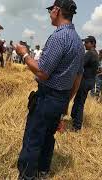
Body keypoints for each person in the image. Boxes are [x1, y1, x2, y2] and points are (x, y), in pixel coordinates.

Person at [15, 0, 84, 179]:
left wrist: (23, 53)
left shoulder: (59, 37)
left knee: (33, 138)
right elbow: (77, 78)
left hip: (47, 98)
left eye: (50, 10)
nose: (49, 14)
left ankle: (27, 176)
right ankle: (43, 171)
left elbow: (42, 72)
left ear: (57, 10)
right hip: (61, 98)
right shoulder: (78, 42)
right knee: (48, 138)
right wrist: (66, 103)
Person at [70, 36, 99, 131]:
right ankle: (74, 118)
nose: (84, 44)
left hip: (85, 81)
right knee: (79, 100)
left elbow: (79, 65)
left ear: (92, 43)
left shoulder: (90, 54)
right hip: (89, 81)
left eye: (86, 42)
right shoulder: (95, 53)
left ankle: (77, 126)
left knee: (79, 103)